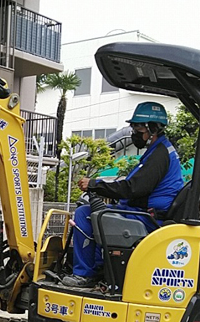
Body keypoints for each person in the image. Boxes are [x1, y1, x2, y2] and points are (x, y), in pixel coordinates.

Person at [61, 101, 184, 287]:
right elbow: (133, 186)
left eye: (138, 130)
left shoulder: (159, 155)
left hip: (147, 218)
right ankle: (100, 268)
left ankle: (84, 274)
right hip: (143, 212)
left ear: (152, 129)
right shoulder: (158, 151)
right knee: (96, 215)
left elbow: (133, 188)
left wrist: (95, 185)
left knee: (84, 214)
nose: (134, 134)